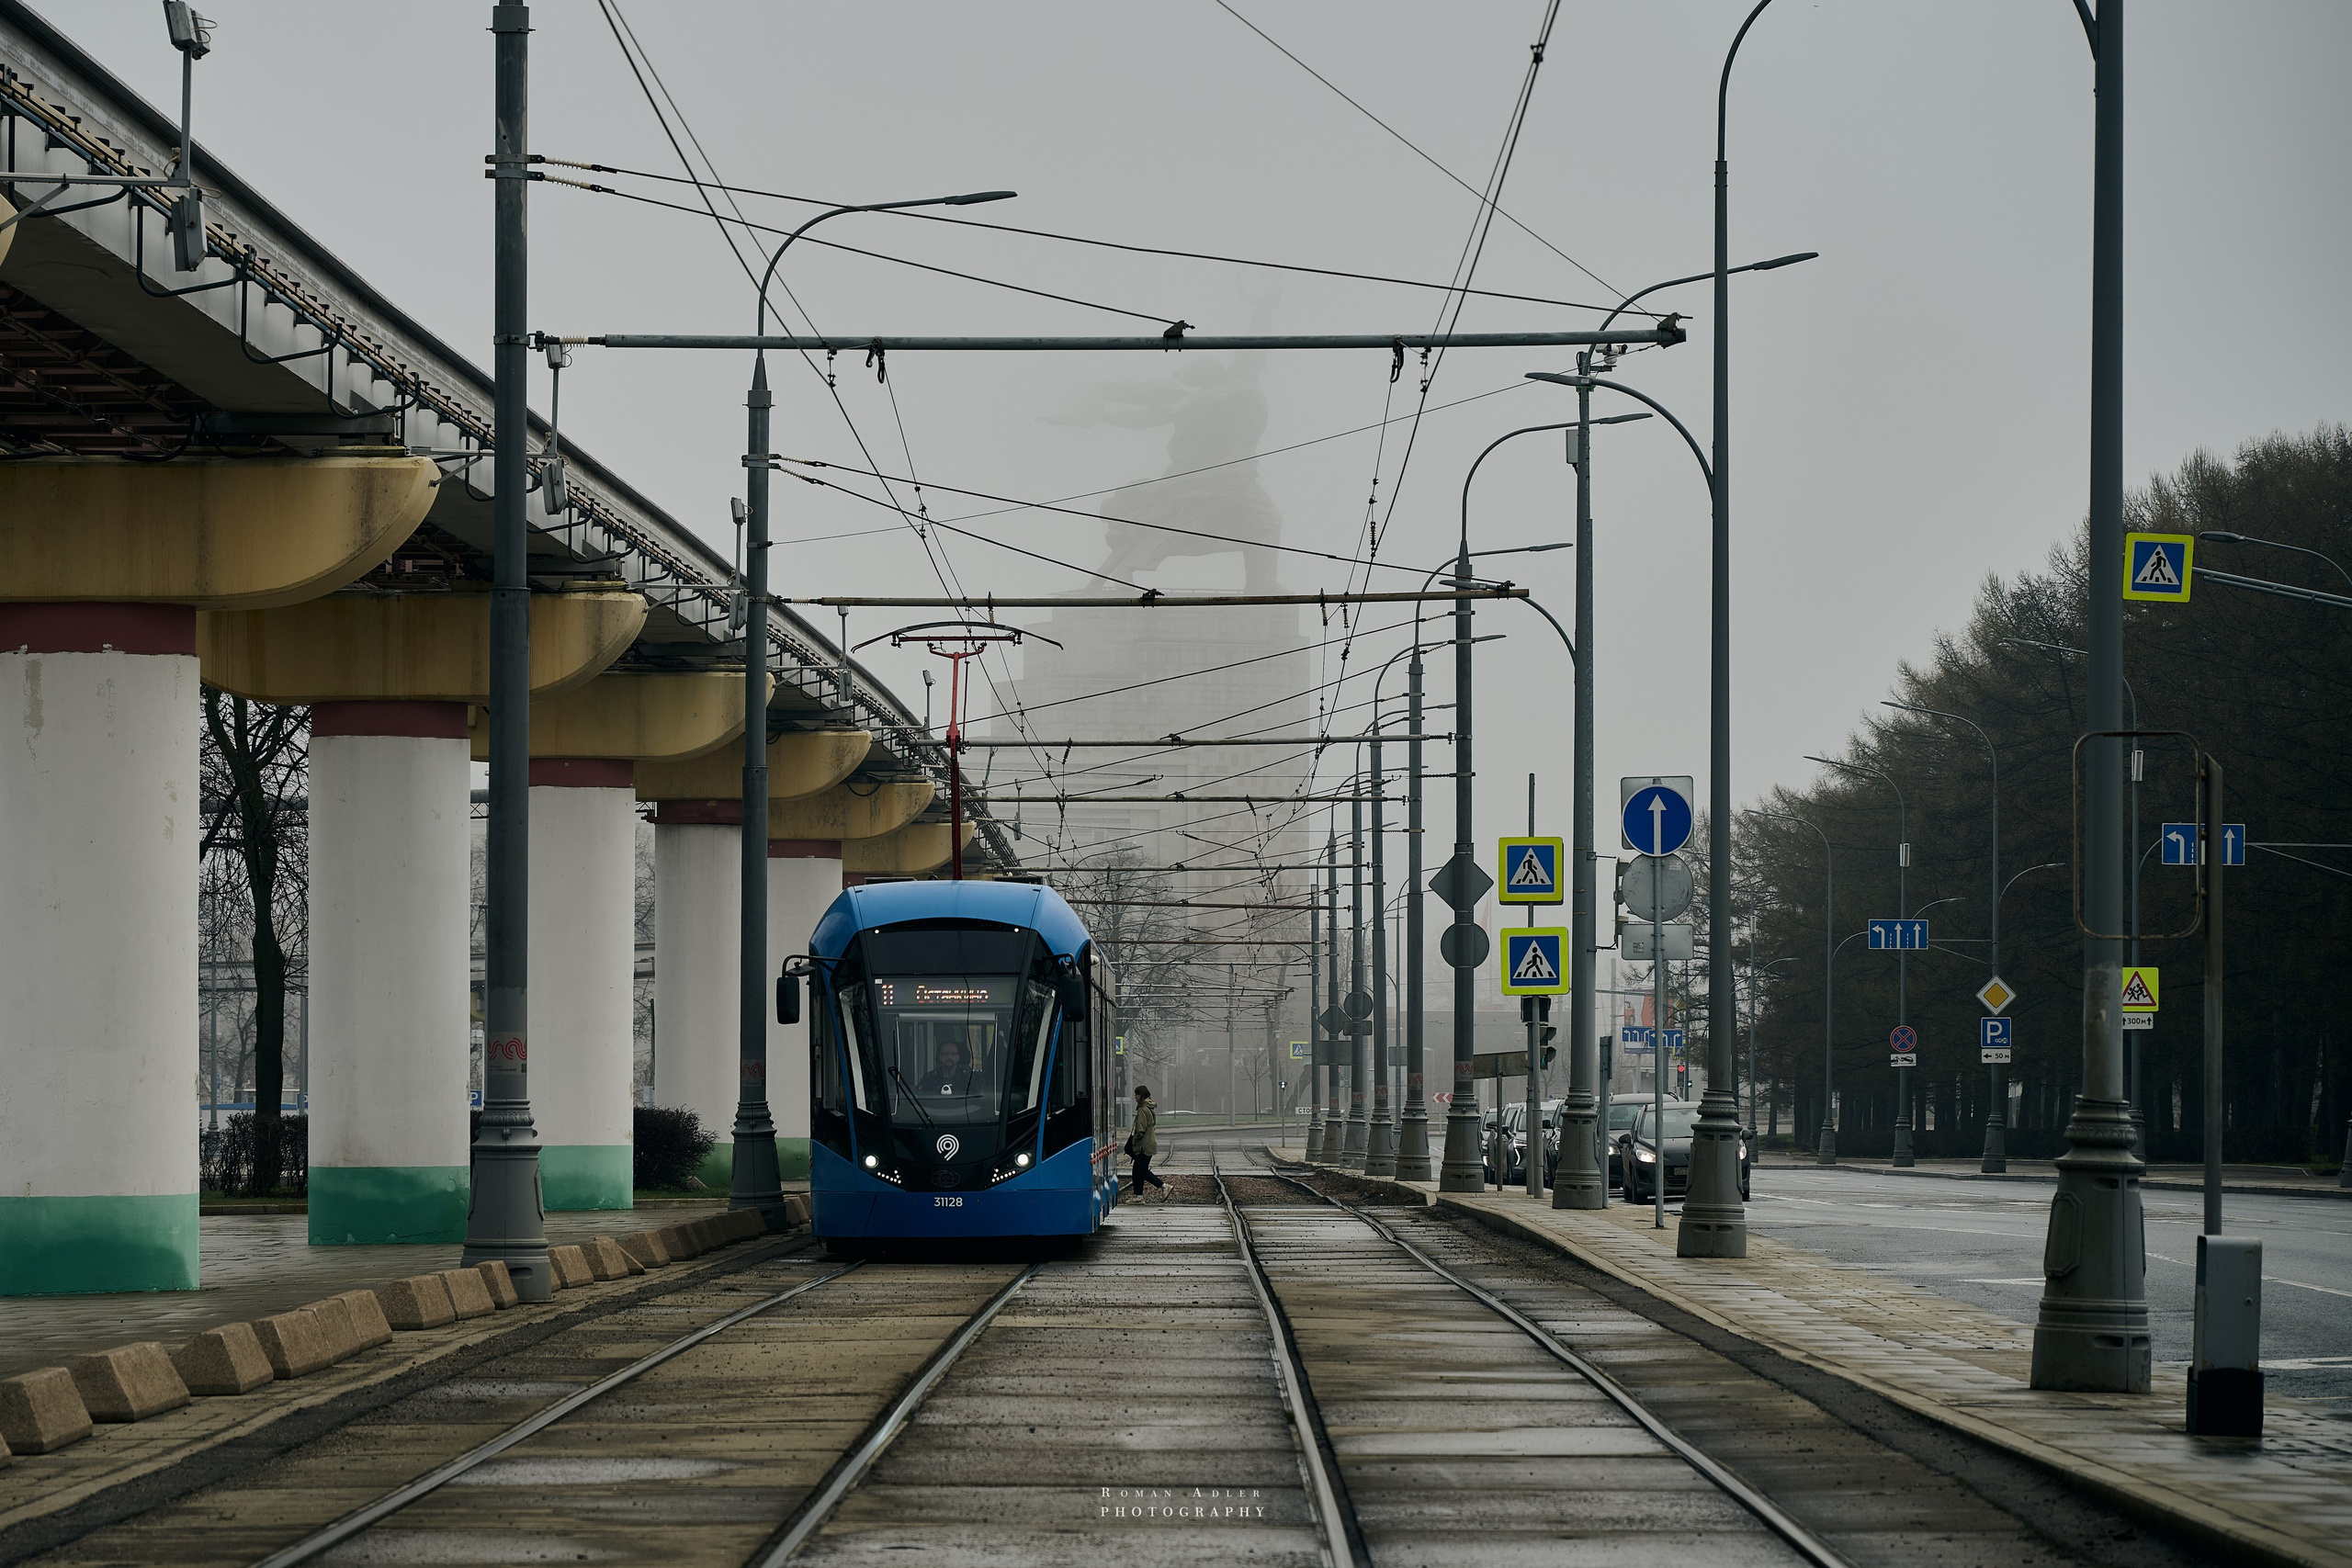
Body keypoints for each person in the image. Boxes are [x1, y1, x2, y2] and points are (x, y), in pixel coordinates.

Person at [1126, 1085, 1167, 1202]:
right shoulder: (1150, 1108)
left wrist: (1134, 1142)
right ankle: (1138, 1196)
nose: (1135, 1097)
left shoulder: (1143, 1109)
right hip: (1149, 1143)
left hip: (1144, 1146)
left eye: (1136, 1095)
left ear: (1141, 1095)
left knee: (1142, 1171)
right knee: (1138, 1170)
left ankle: (1164, 1186)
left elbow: (1140, 1130)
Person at [915, 1038, 983, 1096]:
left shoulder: (969, 1079)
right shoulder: (929, 1079)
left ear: (958, 1057)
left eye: (953, 1054)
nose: (949, 1057)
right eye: (945, 1054)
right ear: (940, 1057)